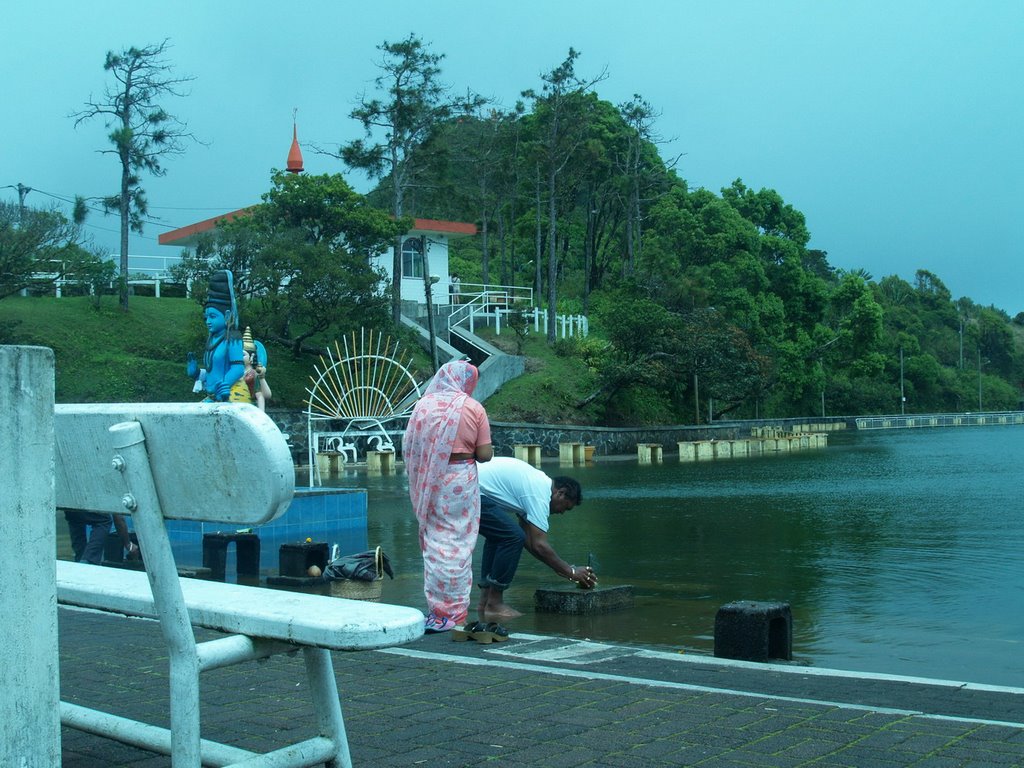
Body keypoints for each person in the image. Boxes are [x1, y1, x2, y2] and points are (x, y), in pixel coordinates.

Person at [403, 359, 493, 633]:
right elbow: (485, 455)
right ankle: (455, 614)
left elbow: (409, 445)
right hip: (459, 479)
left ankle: (437, 612)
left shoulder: (423, 406)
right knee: (459, 542)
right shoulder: (472, 407)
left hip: (430, 478)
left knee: (435, 541)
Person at [476, 457, 595, 622]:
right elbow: (539, 545)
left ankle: (485, 602)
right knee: (511, 536)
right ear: (560, 493)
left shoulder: (535, 486)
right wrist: (571, 572)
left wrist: (567, 570)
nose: (562, 513)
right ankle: (494, 604)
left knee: (502, 536)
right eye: (566, 507)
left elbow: (530, 543)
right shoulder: (540, 493)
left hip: (464, 485)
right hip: (466, 487)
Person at [187, 270, 245, 402]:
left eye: (212, 316)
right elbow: (211, 373)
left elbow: (238, 368)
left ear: (227, 316)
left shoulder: (233, 337)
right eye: (206, 317)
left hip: (229, 397)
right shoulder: (212, 339)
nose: (208, 321)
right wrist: (196, 373)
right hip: (212, 397)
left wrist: (225, 384)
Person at [63, 509, 138, 565]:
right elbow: (118, 517)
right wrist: (128, 544)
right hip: (83, 498)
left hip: (69, 502)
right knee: (104, 520)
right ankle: (88, 561)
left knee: (76, 519)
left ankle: (79, 560)